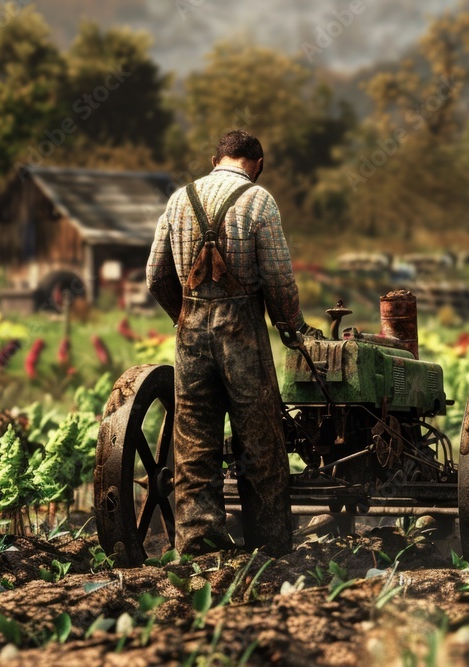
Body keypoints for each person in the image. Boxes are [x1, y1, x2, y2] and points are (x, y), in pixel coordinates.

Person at [146, 130, 320, 557]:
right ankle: (269, 544)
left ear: (215, 159)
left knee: (195, 441)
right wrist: (292, 327)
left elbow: (155, 274)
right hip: (241, 331)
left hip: (190, 332)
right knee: (260, 438)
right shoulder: (259, 201)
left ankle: (199, 543)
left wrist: (182, 316)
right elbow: (279, 279)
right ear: (258, 164)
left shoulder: (178, 200)